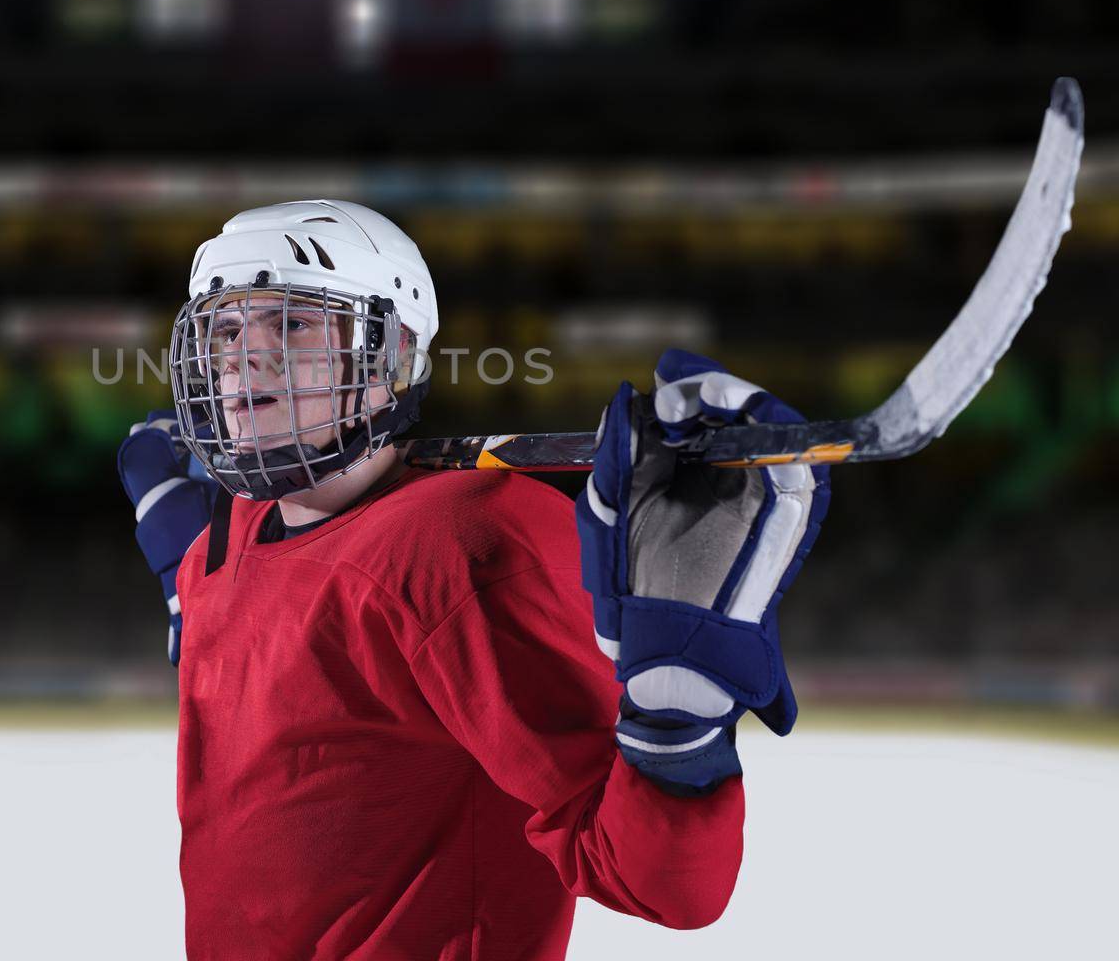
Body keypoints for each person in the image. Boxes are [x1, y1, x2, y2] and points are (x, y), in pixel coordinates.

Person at [117, 199, 831, 960]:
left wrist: (677, 722)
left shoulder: (464, 544)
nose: (244, 357)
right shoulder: (235, 532)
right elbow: (287, 640)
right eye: (226, 329)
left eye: (291, 325)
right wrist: (182, 571)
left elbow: (666, 884)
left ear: (390, 358)